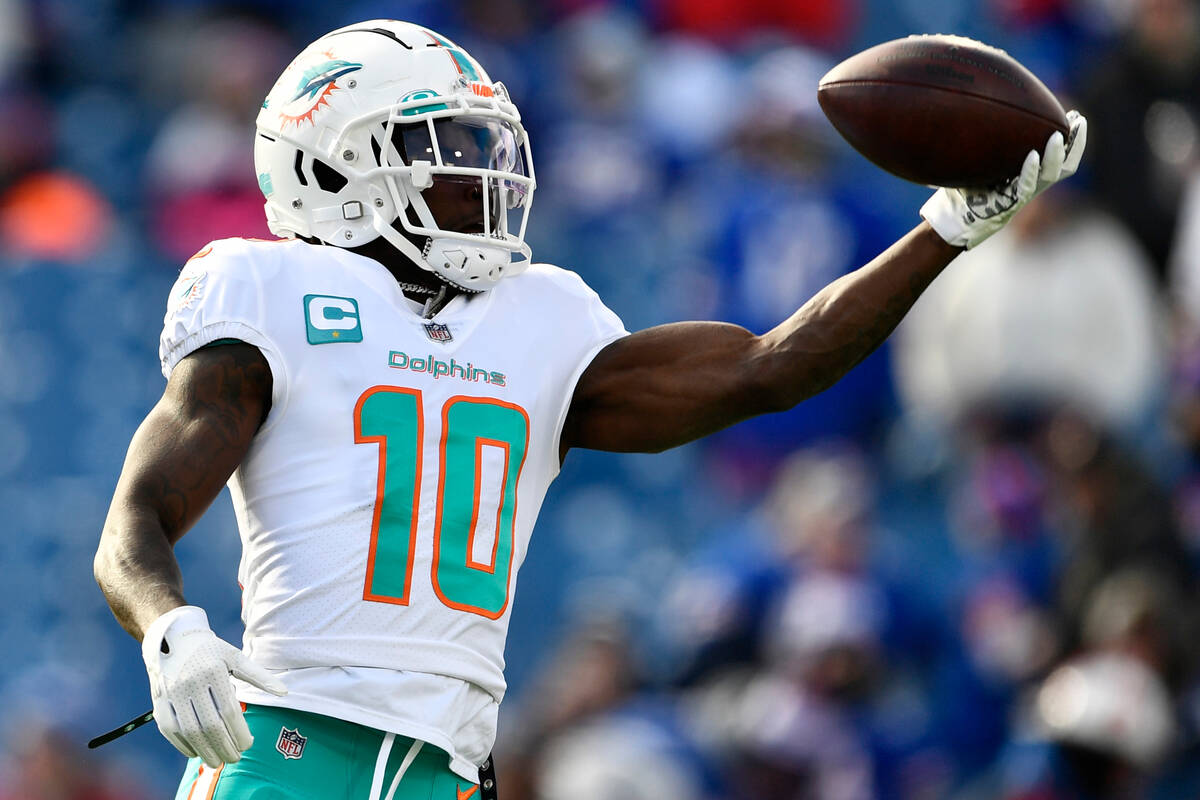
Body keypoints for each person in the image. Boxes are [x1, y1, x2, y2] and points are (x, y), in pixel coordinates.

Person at [92, 19, 1087, 800]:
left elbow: (766, 366)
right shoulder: (270, 292)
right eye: (447, 148)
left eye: (488, 144)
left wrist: (944, 229)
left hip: (448, 765)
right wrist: (166, 622)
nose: (484, 175)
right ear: (335, 170)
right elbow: (137, 519)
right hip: (288, 751)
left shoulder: (540, 320)